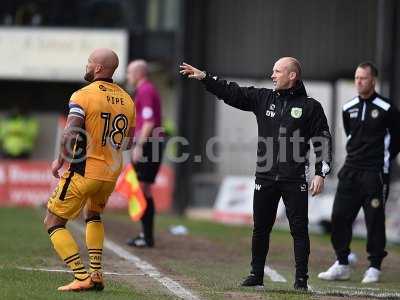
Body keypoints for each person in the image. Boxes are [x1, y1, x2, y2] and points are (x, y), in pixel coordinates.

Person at [180, 57, 332, 290]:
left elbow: (322, 140)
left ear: (292, 76)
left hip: (294, 178)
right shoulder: (264, 98)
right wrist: (205, 78)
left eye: (277, 71)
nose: (272, 75)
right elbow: (234, 93)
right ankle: (256, 274)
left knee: (299, 230)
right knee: (260, 227)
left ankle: (301, 279)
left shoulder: (311, 106)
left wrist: (321, 172)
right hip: (266, 176)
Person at [44, 48, 135, 292]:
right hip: (111, 173)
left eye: (89, 62)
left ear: (97, 68)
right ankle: (96, 273)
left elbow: (71, 131)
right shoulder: (127, 100)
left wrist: (60, 160)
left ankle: (80, 275)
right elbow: (129, 141)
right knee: (92, 215)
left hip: (85, 170)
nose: (86, 66)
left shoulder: (83, 95)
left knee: (53, 221)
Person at [318, 62, 400, 284]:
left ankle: (374, 266)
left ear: (373, 80)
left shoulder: (387, 108)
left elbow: (396, 140)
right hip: (350, 170)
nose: (359, 82)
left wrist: (384, 161)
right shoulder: (349, 107)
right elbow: (350, 134)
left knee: (374, 220)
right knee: (339, 217)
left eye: (363, 78)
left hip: (375, 173)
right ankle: (342, 262)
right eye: (356, 78)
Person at [125, 59, 164, 248]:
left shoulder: (145, 90)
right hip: (151, 142)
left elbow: (149, 122)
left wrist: (139, 145)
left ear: (139, 73)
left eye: (129, 72)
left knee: (142, 188)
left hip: (150, 143)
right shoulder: (145, 90)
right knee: (144, 188)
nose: (128, 76)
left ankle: (147, 236)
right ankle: (146, 235)